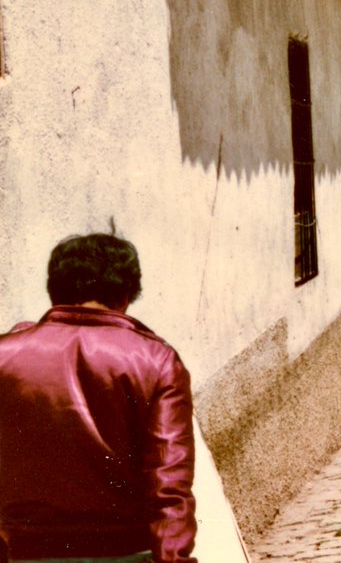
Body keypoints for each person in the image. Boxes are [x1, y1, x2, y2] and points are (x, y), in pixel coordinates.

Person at [0, 233, 197, 563]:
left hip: (28, 551)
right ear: (125, 296)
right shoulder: (156, 360)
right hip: (127, 550)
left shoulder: (6, 355)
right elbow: (169, 483)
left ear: (55, 292)